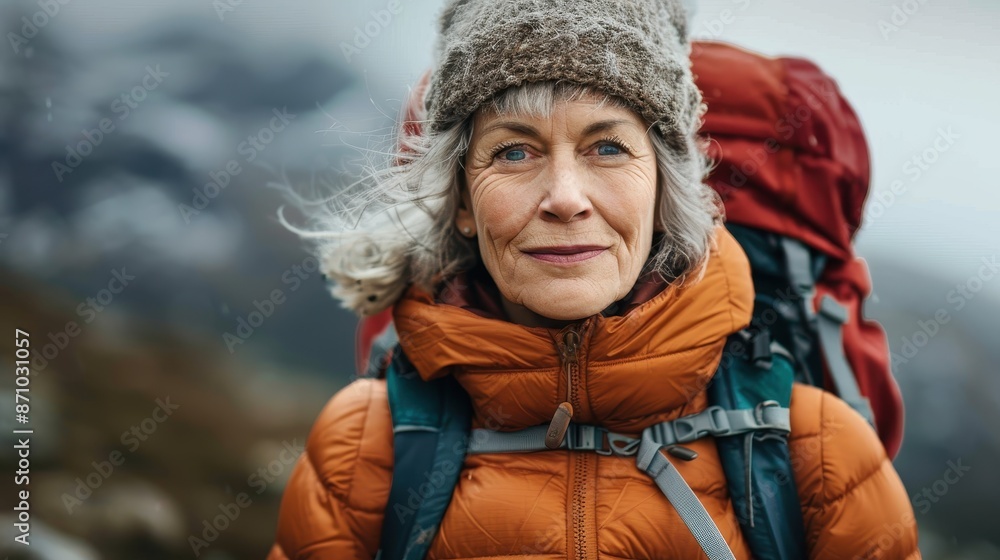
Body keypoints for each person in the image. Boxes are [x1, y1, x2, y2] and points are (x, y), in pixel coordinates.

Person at [268, 0, 920, 558]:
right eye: (514, 151)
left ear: (665, 186)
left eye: (607, 147)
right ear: (461, 201)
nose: (565, 197)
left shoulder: (824, 454)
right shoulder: (362, 448)